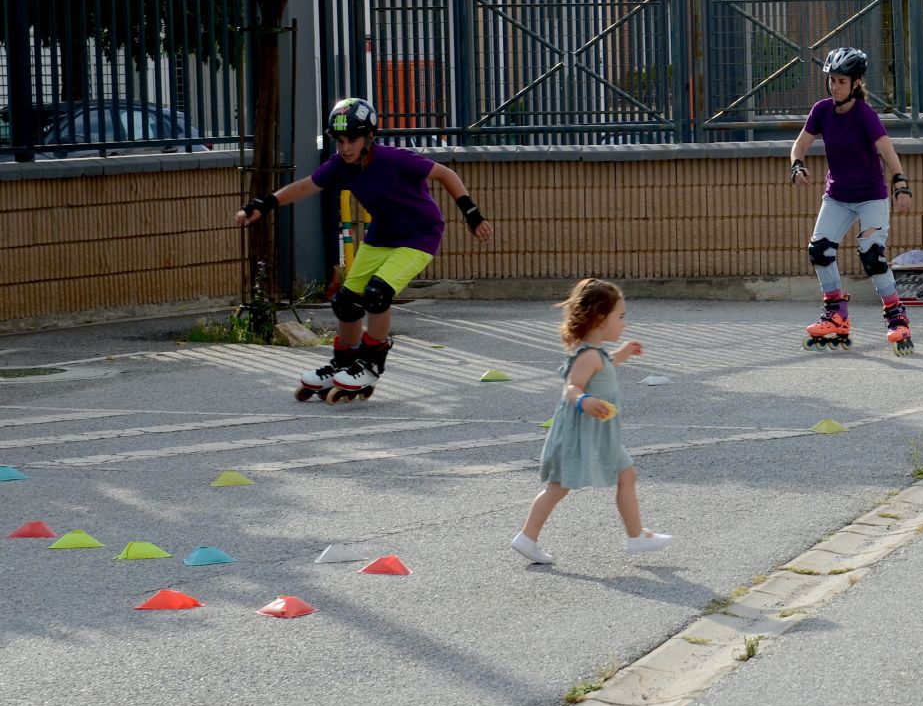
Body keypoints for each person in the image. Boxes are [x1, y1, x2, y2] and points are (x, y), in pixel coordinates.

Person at [236, 97, 492, 402]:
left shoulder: (395, 159)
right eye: (340, 140)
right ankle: (344, 363)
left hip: (419, 236)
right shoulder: (341, 167)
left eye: (352, 140)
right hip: (380, 236)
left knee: (377, 294)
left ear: (370, 137)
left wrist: (471, 213)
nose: (345, 147)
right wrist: (267, 203)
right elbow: (306, 186)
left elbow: (445, 174)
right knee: (345, 302)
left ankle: (371, 361)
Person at [512, 279, 672, 565]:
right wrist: (583, 399)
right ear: (600, 319)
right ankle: (527, 537)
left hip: (600, 435)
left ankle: (636, 535)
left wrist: (620, 355)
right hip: (581, 435)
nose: (624, 322)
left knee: (627, 475)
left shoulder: (595, 354)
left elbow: (602, 366)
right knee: (559, 486)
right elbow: (572, 386)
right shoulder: (587, 355)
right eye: (620, 317)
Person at [788, 47, 918, 354]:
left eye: (841, 81)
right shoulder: (821, 111)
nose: (835, 86)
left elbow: (887, 151)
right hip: (837, 196)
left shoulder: (865, 115)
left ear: (856, 83)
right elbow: (799, 145)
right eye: (832, 80)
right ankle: (836, 316)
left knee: (872, 255)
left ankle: (897, 318)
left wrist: (900, 183)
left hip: (871, 197)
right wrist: (797, 164)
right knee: (819, 250)